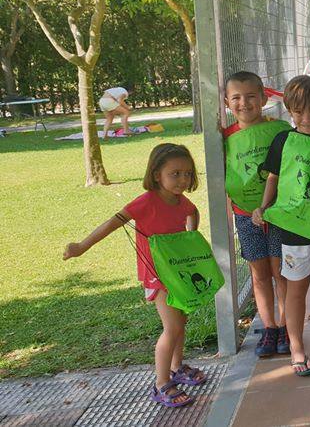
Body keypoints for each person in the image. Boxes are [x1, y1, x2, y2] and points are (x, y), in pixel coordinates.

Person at [63, 143, 207, 407]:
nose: (183, 179)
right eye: (175, 173)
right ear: (156, 175)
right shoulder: (146, 202)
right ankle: (162, 383)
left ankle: (177, 367)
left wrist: (190, 236)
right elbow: (113, 222)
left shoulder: (179, 200)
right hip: (156, 275)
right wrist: (81, 247)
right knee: (172, 327)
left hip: (178, 273)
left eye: (187, 173)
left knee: (181, 322)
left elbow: (192, 212)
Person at [252, 75, 310, 376]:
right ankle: (297, 348)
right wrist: (264, 208)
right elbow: (274, 177)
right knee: (295, 291)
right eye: (299, 111)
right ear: (289, 110)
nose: (306, 118)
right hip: (292, 233)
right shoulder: (282, 141)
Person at [221, 71, 290, 357]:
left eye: (251, 96)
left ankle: (287, 326)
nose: (244, 103)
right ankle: (270, 328)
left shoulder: (280, 130)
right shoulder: (223, 138)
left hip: (278, 214)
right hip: (245, 214)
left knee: (280, 271)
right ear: (227, 102)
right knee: (259, 274)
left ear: (263, 98)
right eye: (236, 97)